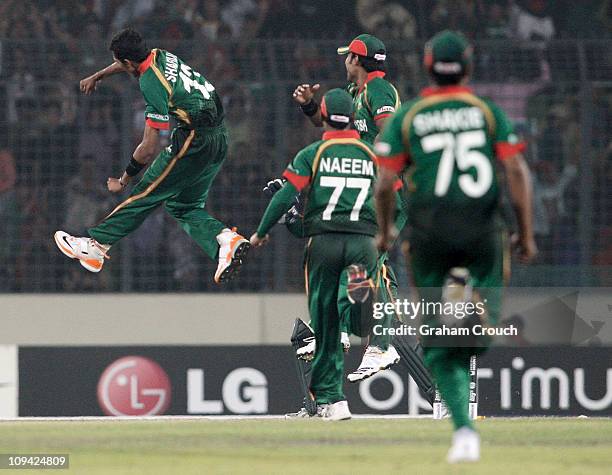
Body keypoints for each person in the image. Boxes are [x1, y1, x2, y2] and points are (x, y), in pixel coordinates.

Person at [374, 31, 537, 463]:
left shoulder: (408, 116)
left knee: (436, 342)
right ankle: (479, 309)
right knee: (479, 326)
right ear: (468, 65)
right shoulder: (487, 112)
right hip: (484, 229)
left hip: (428, 234)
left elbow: (386, 183)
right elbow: (516, 171)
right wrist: (526, 233)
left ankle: (464, 432)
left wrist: (387, 232)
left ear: (427, 66)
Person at [53, 28, 249, 284]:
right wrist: (98, 75)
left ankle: (97, 245)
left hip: (194, 140)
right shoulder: (160, 54)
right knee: (182, 206)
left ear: (128, 62)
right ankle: (225, 240)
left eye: (118, 62)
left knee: (146, 193)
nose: (118, 65)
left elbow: (148, 148)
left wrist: (124, 178)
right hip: (220, 137)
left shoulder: (151, 83)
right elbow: (126, 65)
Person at [250, 89, 380, 420]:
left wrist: (261, 231)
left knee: (325, 323)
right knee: (349, 313)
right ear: (353, 117)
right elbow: (397, 198)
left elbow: (285, 196)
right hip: (363, 240)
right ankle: (360, 305)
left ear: (321, 115)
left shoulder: (314, 153)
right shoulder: (373, 154)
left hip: (324, 241)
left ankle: (333, 399)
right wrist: (386, 236)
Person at [292, 33, 403, 381]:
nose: (344, 61)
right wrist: (312, 106)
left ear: (357, 60)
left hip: (384, 191)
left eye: (347, 56)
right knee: (360, 262)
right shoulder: (357, 93)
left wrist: (373, 173)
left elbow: (390, 136)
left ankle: (377, 343)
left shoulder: (379, 90)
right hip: (368, 189)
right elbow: (330, 127)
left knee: (369, 262)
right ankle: (346, 333)